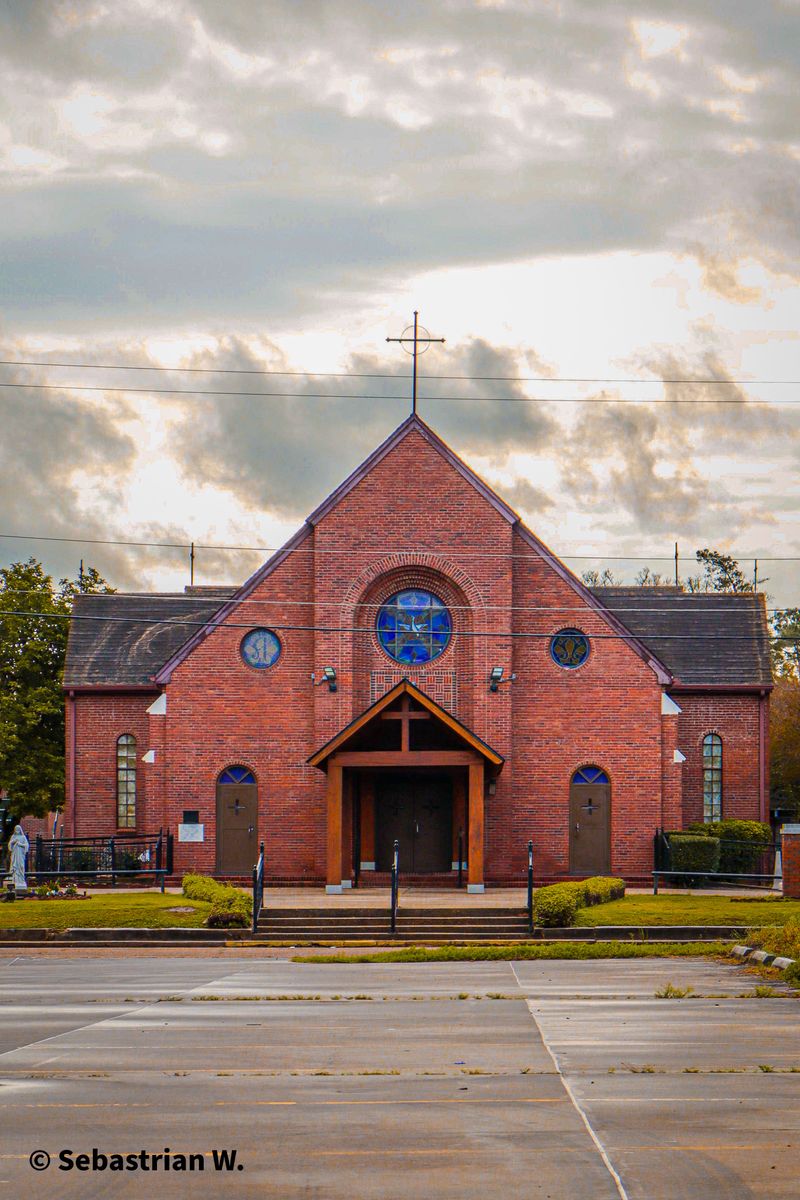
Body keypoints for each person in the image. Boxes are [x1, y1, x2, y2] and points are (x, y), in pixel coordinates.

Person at [9, 825, 29, 890]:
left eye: (18, 829)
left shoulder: (23, 837)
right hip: (15, 855)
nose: (17, 830)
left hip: (20, 855)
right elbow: (9, 846)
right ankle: (15, 881)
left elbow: (27, 845)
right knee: (16, 868)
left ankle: (21, 880)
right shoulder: (13, 837)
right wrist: (13, 841)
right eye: (16, 829)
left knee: (21, 866)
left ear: (20, 830)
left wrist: (20, 844)